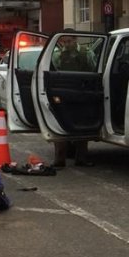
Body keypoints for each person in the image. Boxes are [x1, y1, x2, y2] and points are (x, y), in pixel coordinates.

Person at [51, 36, 94, 167]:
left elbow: (93, 69)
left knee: (82, 126)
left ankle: (81, 158)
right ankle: (59, 160)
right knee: (60, 127)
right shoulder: (58, 55)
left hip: (81, 93)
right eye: (64, 42)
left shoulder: (87, 53)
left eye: (69, 41)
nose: (66, 44)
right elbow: (54, 69)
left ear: (76, 40)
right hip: (64, 94)